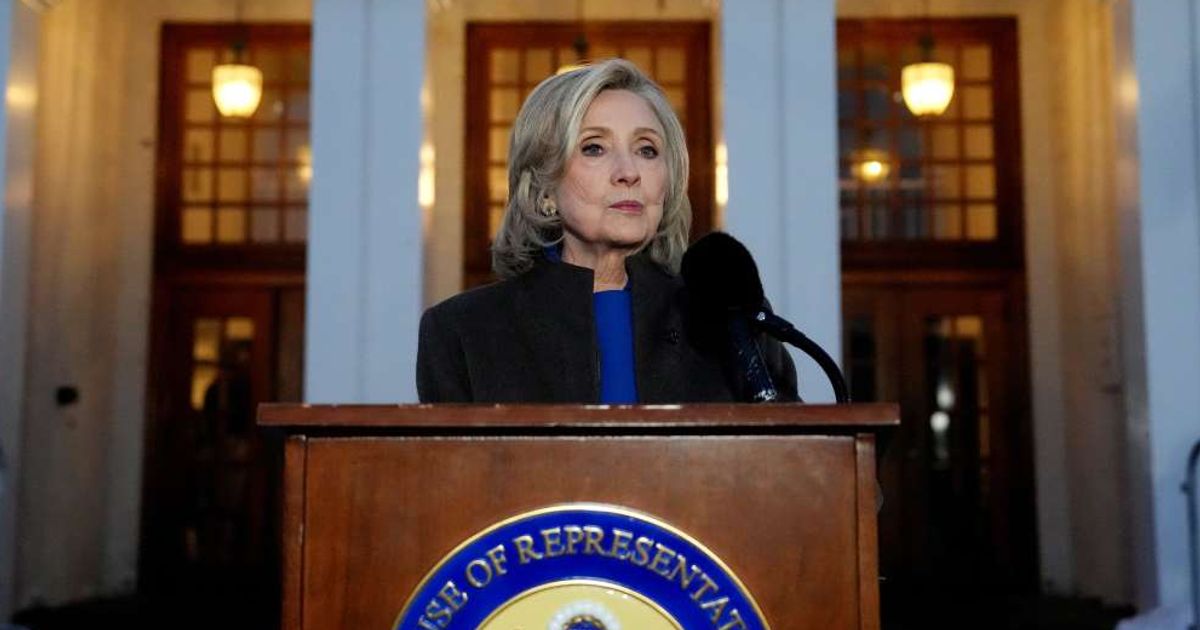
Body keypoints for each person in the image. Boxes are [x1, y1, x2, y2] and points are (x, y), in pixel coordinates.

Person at [417, 58, 796, 403]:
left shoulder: (730, 314)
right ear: (545, 186)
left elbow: (795, 461)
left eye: (647, 150)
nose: (629, 172)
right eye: (594, 148)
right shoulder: (462, 330)